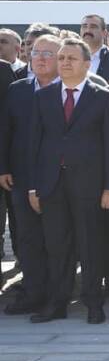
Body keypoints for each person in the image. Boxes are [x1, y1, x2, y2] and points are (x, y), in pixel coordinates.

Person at [28, 37, 109, 324]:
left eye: (71, 58)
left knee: (90, 245)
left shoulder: (104, 97)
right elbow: (34, 144)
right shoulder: (43, 96)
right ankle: (58, 303)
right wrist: (34, 186)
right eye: (62, 58)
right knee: (57, 246)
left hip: (89, 186)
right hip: (52, 184)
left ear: (86, 63)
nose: (65, 62)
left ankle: (94, 303)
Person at [0, 34, 61, 315]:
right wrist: (3, 167)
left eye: (48, 53)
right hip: (22, 176)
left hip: (60, 178)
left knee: (58, 237)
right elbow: (5, 131)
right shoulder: (17, 89)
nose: (40, 58)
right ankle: (34, 292)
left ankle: (58, 294)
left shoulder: (71, 90)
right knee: (26, 237)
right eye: (36, 52)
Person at [79, 14, 109, 81]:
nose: (88, 30)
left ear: (104, 33)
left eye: (93, 27)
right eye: (84, 26)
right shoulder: (71, 57)